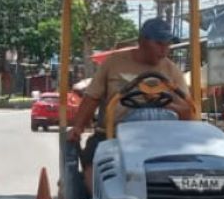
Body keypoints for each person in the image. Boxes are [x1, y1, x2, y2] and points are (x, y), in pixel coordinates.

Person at [67, 17, 194, 189]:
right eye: (159, 44)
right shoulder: (114, 63)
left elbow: (188, 111)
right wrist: (78, 128)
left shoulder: (171, 70)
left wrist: (166, 105)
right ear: (142, 41)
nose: (164, 50)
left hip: (163, 138)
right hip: (113, 135)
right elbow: (92, 98)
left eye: (168, 44)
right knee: (93, 169)